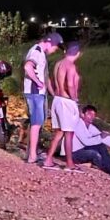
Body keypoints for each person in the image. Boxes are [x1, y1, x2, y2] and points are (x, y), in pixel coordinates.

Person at [22, 32, 63, 163]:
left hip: (38, 93)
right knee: (36, 123)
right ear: (49, 43)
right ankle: (32, 156)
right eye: (55, 47)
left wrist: (53, 93)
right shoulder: (37, 51)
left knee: (37, 123)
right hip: (34, 93)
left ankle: (33, 152)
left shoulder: (41, 54)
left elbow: (46, 77)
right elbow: (28, 66)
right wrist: (38, 82)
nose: (55, 50)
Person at [43, 42, 83, 172]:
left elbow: (52, 81)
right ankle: (69, 164)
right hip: (67, 101)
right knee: (69, 133)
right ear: (78, 53)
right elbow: (70, 85)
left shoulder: (58, 64)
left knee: (59, 132)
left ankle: (48, 160)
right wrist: (74, 99)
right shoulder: (70, 66)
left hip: (57, 100)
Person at [68, 105, 110, 176]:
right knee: (94, 154)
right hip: (74, 153)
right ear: (83, 114)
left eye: (94, 115)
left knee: (101, 146)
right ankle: (109, 171)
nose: (92, 116)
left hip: (82, 149)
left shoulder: (91, 126)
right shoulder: (78, 124)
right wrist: (100, 137)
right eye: (89, 114)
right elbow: (86, 142)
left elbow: (103, 137)